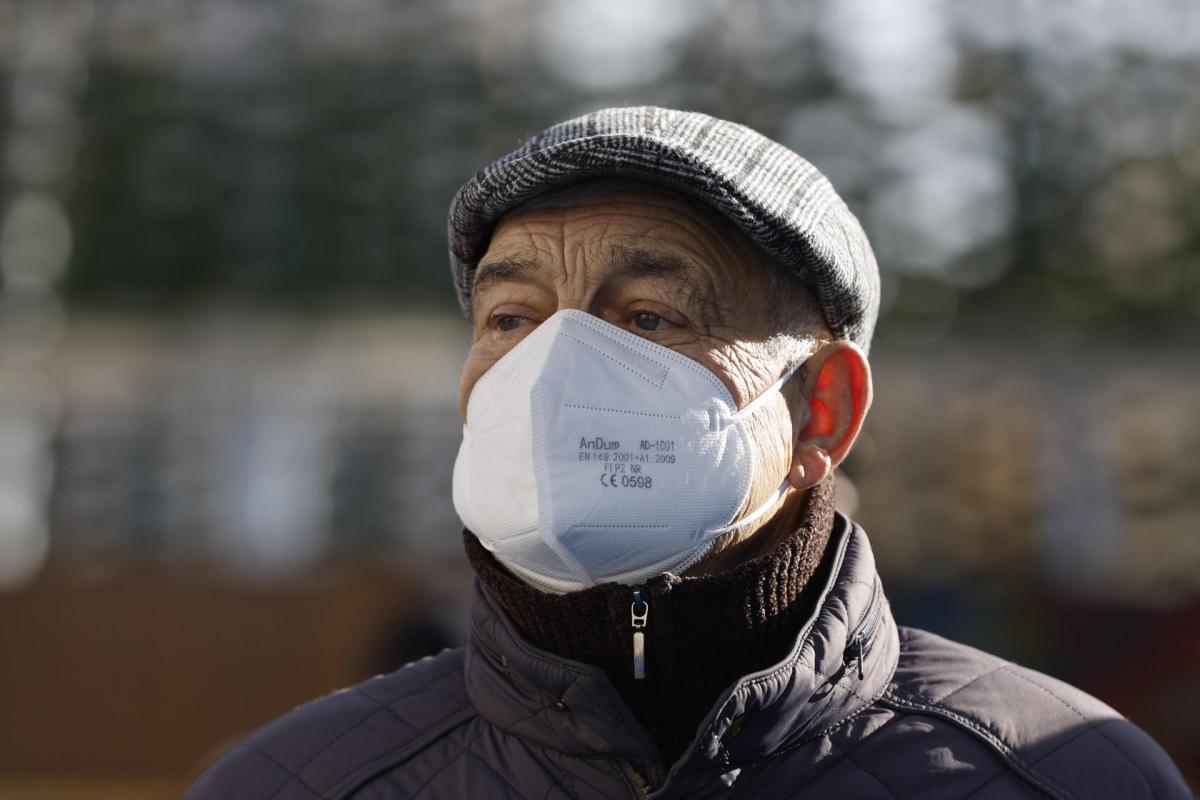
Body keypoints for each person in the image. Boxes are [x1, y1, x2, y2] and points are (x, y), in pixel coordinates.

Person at [187, 107, 1193, 799]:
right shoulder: (297, 781)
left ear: (820, 408)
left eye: (650, 315)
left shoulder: (1063, 774)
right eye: (509, 315)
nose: (552, 371)